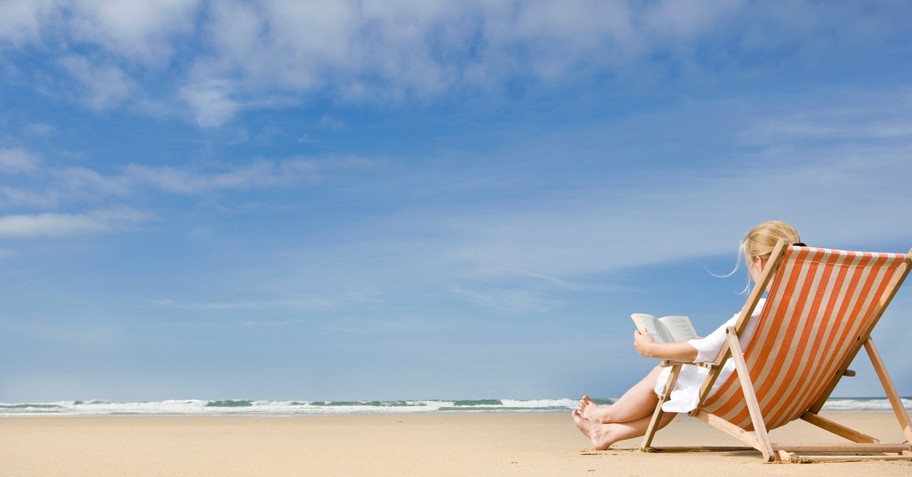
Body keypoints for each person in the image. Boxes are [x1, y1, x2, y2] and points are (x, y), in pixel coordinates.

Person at [572, 220, 801, 450]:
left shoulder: (762, 310)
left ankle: (604, 416)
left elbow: (707, 350)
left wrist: (650, 349)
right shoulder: (815, 311)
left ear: (759, 263)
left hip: (747, 399)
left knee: (669, 371)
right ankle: (606, 433)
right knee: (679, 381)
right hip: (788, 400)